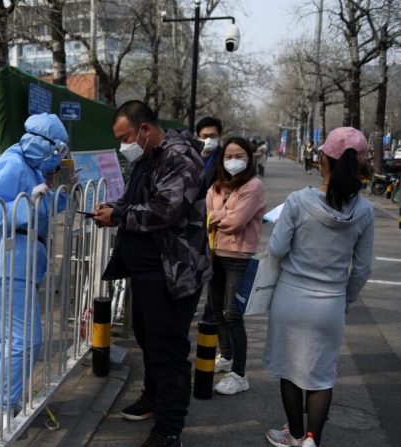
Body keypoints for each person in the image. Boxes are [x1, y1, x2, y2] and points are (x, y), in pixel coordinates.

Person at [93, 100, 210, 447]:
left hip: (172, 274)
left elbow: (166, 210)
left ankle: (169, 428)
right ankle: (153, 396)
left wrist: (117, 217)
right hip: (146, 272)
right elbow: (134, 199)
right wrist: (113, 208)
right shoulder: (147, 158)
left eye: (126, 136)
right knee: (148, 339)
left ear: (145, 129)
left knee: (168, 349)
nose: (123, 145)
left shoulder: (180, 158)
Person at [264, 127, 373, 447]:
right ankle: (313, 439)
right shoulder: (364, 211)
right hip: (330, 305)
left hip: (291, 299)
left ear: (324, 160)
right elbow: (363, 269)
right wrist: (345, 301)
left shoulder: (298, 201)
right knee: (321, 375)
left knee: (289, 369)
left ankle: (295, 435)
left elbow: (277, 249)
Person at [0, 113, 70, 431]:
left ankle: (3, 402)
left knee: (4, 338)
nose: (57, 159)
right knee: (27, 339)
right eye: (56, 152)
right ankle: (3, 407)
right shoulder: (13, 163)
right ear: (42, 143)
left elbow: (34, 203)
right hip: (6, 264)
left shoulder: (29, 166)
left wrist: (57, 199)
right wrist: (30, 206)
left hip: (16, 265)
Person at [205, 137, 265, 396]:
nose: (233, 160)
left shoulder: (254, 186)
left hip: (239, 256)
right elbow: (205, 215)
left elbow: (237, 222)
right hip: (214, 254)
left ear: (249, 158)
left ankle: (240, 374)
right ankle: (226, 356)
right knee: (217, 310)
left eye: (239, 155)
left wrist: (217, 218)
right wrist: (219, 217)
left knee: (233, 314)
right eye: (229, 155)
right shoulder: (217, 186)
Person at [196, 116, 223, 191]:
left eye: (212, 136)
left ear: (219, 136)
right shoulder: (191, 155)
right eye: (204, 136)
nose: (208, 139)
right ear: (198, 137)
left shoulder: (224, 157)